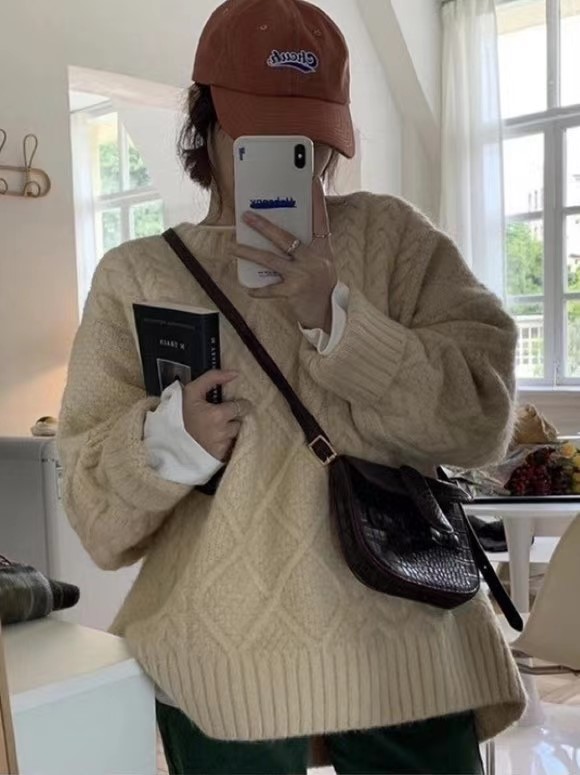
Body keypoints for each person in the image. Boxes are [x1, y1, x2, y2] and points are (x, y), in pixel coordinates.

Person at [57, 0, 526, 773]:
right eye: (261, 133)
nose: (285, 154)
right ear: (206, 119)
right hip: (222, 662)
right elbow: (94, 515)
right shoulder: (136, 275)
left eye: (305, 139)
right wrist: (170, 441)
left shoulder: (394, 239)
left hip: (406, 643)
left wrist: (338, 319)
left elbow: (483, 415)